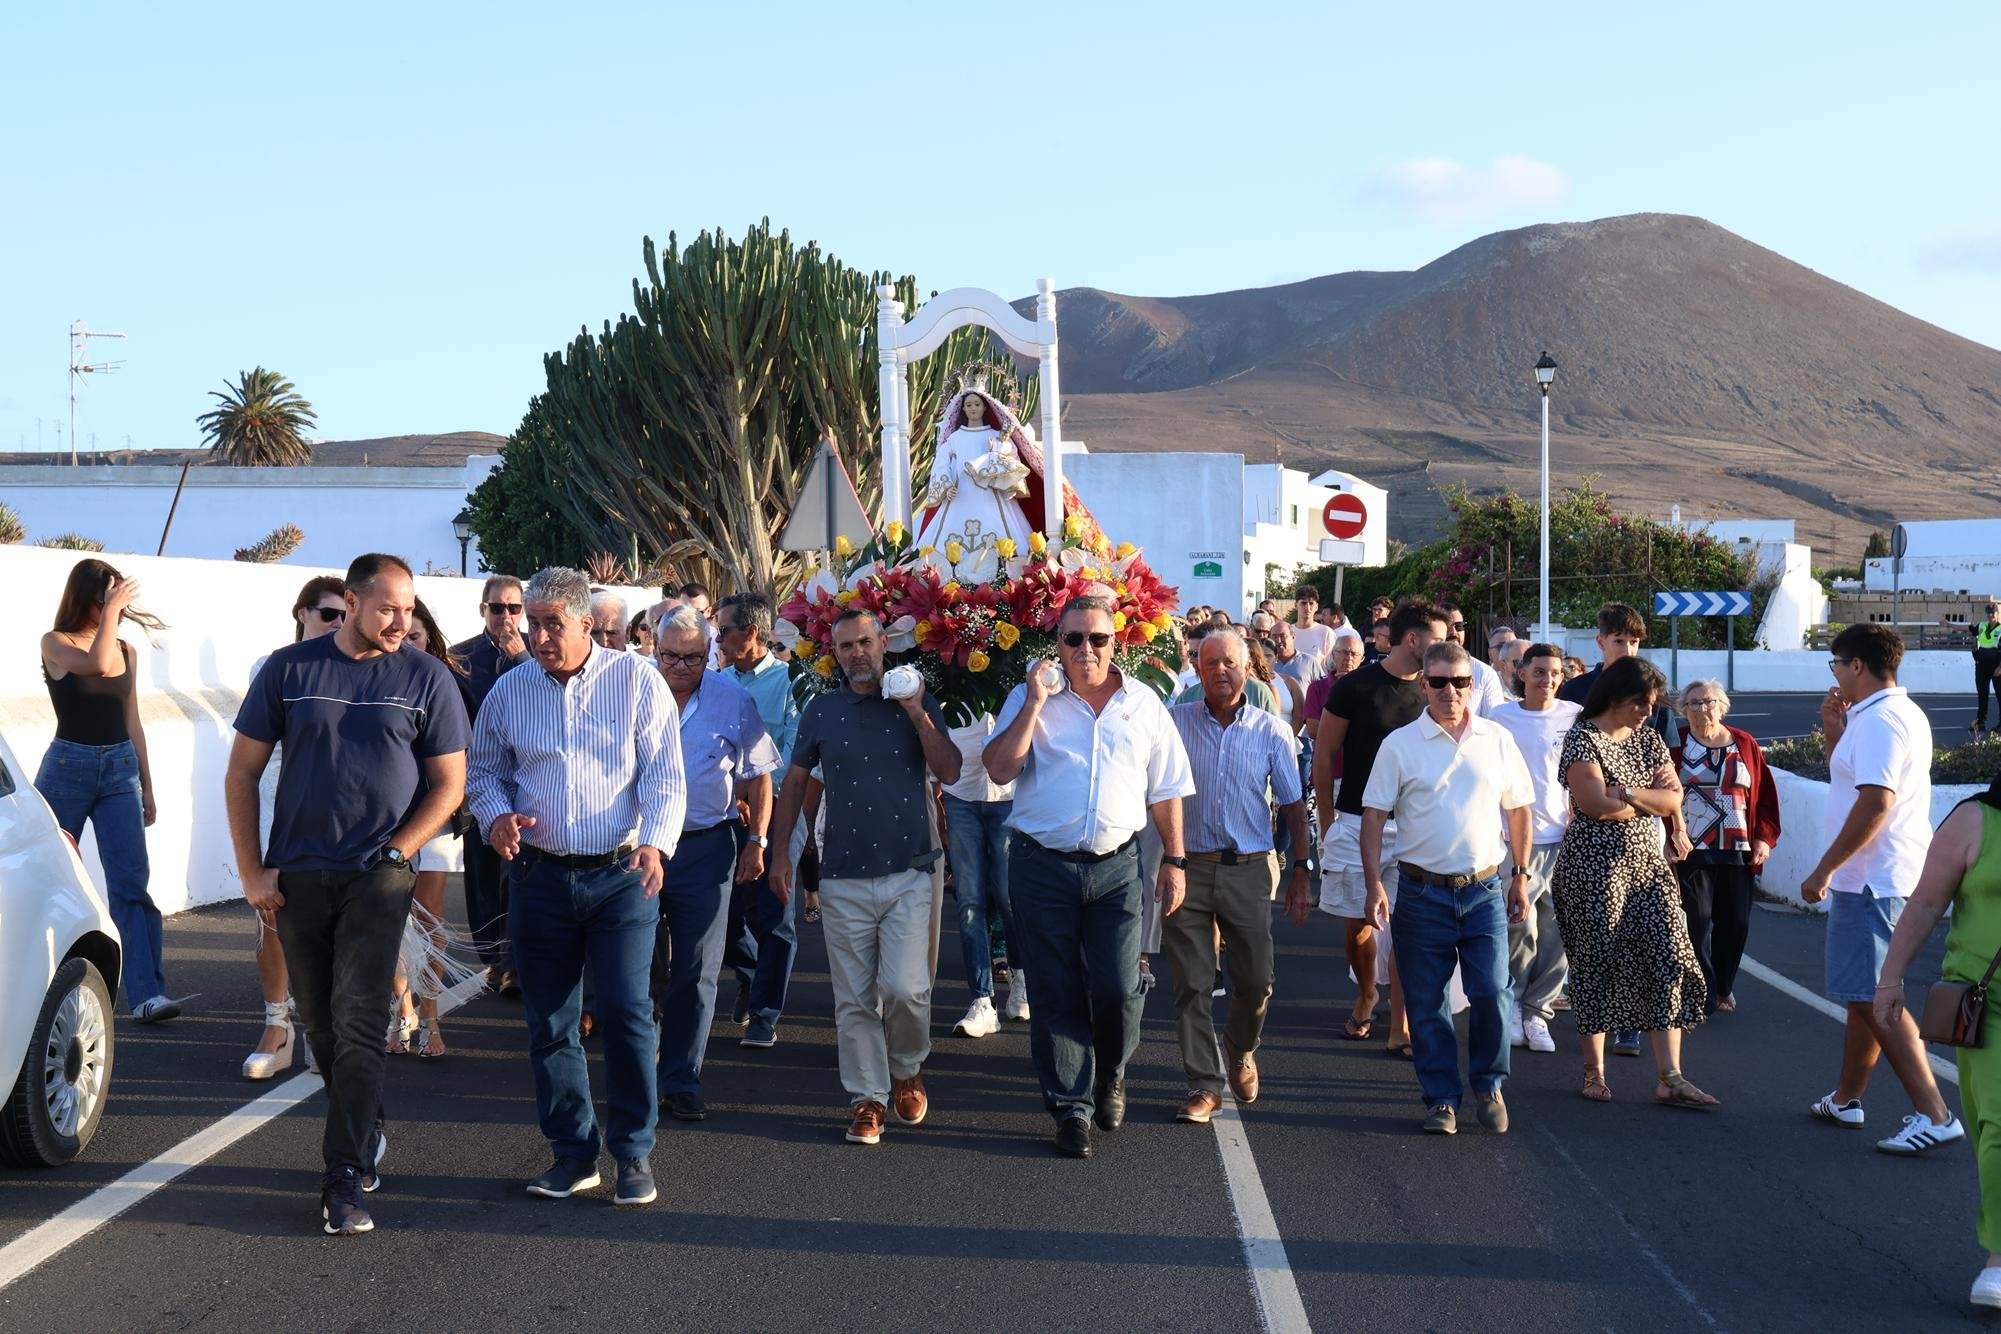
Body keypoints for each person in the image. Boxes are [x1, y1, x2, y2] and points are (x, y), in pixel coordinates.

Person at [225, 553, 470, 1235]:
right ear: (354, 601)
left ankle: (341, 1181)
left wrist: (400, 850)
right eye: (388, 607)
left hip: (379, 874)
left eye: (409, 608)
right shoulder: (290, 670)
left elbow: (450, 784)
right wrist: (252, 871)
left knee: (360, 1018)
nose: (402, 620)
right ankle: (365, 1124)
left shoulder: (427, 679)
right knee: (323, 1024)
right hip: (298, 872)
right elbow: (242, 771)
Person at [467, 566, 687, 1209]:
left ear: (587, 624)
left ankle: (634, 1154)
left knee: (626, 1013)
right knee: (551, 1022)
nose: (536, 635)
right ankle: (573, 1154)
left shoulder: (638, 682)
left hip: (621, 876)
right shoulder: (509, 694)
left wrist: (657, 842)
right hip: (537, 876)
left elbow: (665, 778)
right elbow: (485, 773)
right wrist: (494, 815)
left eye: (550, 624)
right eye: (530, 623)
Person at [986, 595, 1195, 1159]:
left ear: (1116, 643)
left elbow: (1168, 786)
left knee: (1118, 986)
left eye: (1097, 639)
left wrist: (1174, 861)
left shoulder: (1144, 703)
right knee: (1054, 991)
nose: (1086, 650)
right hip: (1040, 866)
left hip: (1117, 869)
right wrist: (1033, 701)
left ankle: (1111, 1072)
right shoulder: (1030, 697)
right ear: (1057, 644)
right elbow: (1000, 769)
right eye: (1074, 639)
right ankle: (1071, 1108)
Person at [767, 608, 960, 1146]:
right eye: (847, 645)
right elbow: (795, 784)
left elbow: (949, 770)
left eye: (866, 643)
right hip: (842, 875)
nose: (857, 653)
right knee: (853, 998)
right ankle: (868, 1098)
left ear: (884, 645)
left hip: (911, 871)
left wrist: (918, 712)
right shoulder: (822, 711)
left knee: (906, 989)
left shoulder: (916, 703)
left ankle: (907, 1067)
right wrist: (780, 854)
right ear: (834, 651)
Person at [1360, 640, 1533, 1134]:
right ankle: (1441, 1098)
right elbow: (1374, 817)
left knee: (1493, 994)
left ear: (1472, 685)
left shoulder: (1497, 739)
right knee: (1427, 1000)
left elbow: (1518, 808)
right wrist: (1375, 885)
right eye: (1438, 682)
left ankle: (1489, 1085)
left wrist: (1520, 875)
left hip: (1483, 891)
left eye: (1459, 682)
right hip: (1420, 893)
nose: (1449, 692)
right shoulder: (1399, 745)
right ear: (1423, 684)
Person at [1800, 624, 1962, 1152]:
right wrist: (1834, 733)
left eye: (1836, 664)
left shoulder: (1882, 721)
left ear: (1858, 667)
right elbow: (1854, 783)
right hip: (1880, 876)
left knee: (1876, 996)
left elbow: (1875, 802)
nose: (1834, 673)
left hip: (1871, 880)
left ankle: (1935, 1113)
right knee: (1862, 995)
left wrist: (1824, 868)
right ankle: (1847, 1098)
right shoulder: (1884, 716)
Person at [1549, 656, 1717, 1109]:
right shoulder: (1583, 739)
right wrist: (1647, 801)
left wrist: (1625, 793)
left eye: (1651, 704)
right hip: (1594, 868)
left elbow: (1673, 797)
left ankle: (1671, 1077)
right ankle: (1594, 1071)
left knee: (1669, 957)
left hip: (1648, 866)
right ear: (1614, 697)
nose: (1647, 712)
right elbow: (1593, 806)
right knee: (1596, 962)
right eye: (1639, 703)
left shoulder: (1647, 738)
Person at [1166, 630, 1311, 1124]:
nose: (1221, 671)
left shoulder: (1272, 732)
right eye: (1211, 664)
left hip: (1249, 869)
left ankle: (1242, 1048)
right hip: (1188, 867)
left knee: (1256, 981)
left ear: (1248, 669)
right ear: (1198, 670)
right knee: (1193, 982)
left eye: (1230, 662)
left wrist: (1300, 870)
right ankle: (1204, 1085)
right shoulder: (1174, 724)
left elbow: (1293, 806)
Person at [1872, 777, 2001, 1309]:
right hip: (1991, 1004)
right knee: (1997, 1124)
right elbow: (1925, 903)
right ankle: (2000, 1259)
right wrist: (1890, 977)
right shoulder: (1977, 819)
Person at [650, 605, 778, 1122]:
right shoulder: (631, 689)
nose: (680, 667)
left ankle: (682, 1078)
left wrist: (759, 841)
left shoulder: (734, 699)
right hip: (640, 848)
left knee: (698, 968)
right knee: (639, 966)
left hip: (707, 846)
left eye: (693, 658)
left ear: (711, 654)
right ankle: (640, 1069)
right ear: (653, 649)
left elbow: (760, 772)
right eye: (670, 656)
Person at [37, 559, 175, 1023]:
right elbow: (94, 665)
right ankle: (39, 990)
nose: (112, 609)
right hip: (67, 767)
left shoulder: (126, 650)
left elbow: (132, 720)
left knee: (131, 883)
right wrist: (115, 607)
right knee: (49, 878)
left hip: (120, 770)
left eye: (116, 600)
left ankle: (147, 995)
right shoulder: (56, 643)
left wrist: (147, 785)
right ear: (86, 599)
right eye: (104, 601)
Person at [1315, 599, 1449, 1053]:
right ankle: (1367, 991)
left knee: (1408, 927)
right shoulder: (1354, 687)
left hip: (1415, 829)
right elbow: (1324, 755)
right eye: (1439, 636)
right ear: (1413, 640)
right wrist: (1327, 821)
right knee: (1359, 926)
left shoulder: (1437, 691)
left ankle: (1401, 1026)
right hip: (1355, 823)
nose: (1447, 644)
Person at [244, 574, 350, 1078]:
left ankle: (320, 1030)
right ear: (302, 613)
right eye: (329, 614)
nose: (338, 624)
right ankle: (276, 1025)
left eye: (344, 615)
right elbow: (249, 755)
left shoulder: (358, 667)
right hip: (280, 803)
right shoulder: (273, 668)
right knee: (273, 917)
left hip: (336, 812)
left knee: (333, 925)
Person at [715, 592, 804, 1048]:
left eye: (724, 630)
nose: (717, 638)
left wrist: (757, 792)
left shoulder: (791, 681)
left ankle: (767, 1010)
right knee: (724, 916)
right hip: (723, 812)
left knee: (775, 914)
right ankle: (750, 976)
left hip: (780, 809)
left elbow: (795, 752)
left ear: (751, 632)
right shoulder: (718, 682)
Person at [386, 599, 473, 1059]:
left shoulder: (443, 683)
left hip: (435, 814)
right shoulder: (371, 677)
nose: (406, 643)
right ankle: (403, 1009)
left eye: (416, 637)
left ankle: (432, 1018)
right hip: (385, 815)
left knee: (428, 915)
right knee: (391, 916)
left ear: (429, 641)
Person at [1489, 644, 1582, 1054]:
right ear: (1522, 673)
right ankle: (1511, 1006)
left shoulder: (1575, 717)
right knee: (1517, 929)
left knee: (1557, 933)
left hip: (1564, 840)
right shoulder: (1499, 718)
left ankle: (1537, 1013)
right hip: (1514, 842)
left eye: (1555, 672)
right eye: (1540, 671)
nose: (1547, 679)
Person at [1668, 680, 1780, 1016]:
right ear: (1683, 709)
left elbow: (1766, 797)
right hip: (1690, 847)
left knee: (1736, 923)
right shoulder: (1677, 744)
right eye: (1695, 703)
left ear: (1723, 705)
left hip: (1737, 847)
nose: (1704, 708)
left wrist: (1763, 838)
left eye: (1710, 701)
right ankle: (1706, 991)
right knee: (1697, 922)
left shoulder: (1743, 742)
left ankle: (1723, 984)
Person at [451, 575, 531, 995]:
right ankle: (493, 957)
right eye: (497, 608)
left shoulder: (538, 652)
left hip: (528, 784)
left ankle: (513, 961)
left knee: (514, 875)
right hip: (479, 782)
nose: (505, 617)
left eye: (513, 608)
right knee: (483, 876)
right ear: (483, 609)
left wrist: (521, 659)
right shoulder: (460, 657)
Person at [940, 704, 1025, 1036]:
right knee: (969, 902)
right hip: (960, 793)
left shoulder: (1015, 671)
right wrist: (936, 795)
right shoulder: (952, 674)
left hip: (1008, 795)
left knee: (1009, 897)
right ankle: (981, 1000)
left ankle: (1021, 978)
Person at [1441, 603, 1507, 716]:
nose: (1454, 632)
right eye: (1447, 626)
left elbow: (1494, 720)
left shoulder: (1484, 673)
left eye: (1459, 626)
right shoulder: (1421, 671)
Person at [1303, 633, 1366, 727]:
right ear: (1333, 654)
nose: (1349, 658)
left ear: (1362, 659)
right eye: (1344, 652)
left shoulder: (1368, 688)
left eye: (1354, 654)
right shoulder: (1316, 688)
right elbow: (1313, 729)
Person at [1291, 585, 1336, 670]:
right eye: (1303, 603)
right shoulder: (1287, 631)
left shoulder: (1326, 633)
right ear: (1296, 605)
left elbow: (1332, 665)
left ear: (1316, 607)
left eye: (1311, 603)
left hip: (1318, 681)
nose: (1307, 608)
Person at [1975, 602, 2001, 740]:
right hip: (1982, 666)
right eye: (1988, 613)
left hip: (1996, 667)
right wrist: (1948, 624)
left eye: (1992, 613)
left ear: (1997, 614)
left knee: (2000, 696)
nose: (1990, 616)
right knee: (1982, 694)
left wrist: (2000, 667)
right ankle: (1981, 722)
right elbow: (1967, 629)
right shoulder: (1983, 626)